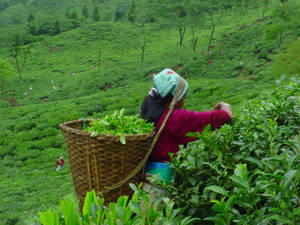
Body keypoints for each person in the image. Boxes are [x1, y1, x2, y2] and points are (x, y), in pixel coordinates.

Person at [140, 68, 232, 184]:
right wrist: (224, 106)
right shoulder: (174, 119)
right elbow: (222, 116)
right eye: (184, 95)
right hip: (162, 181)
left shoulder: (148, 110)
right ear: (174, 99)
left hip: (145, 175)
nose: (184, 99)